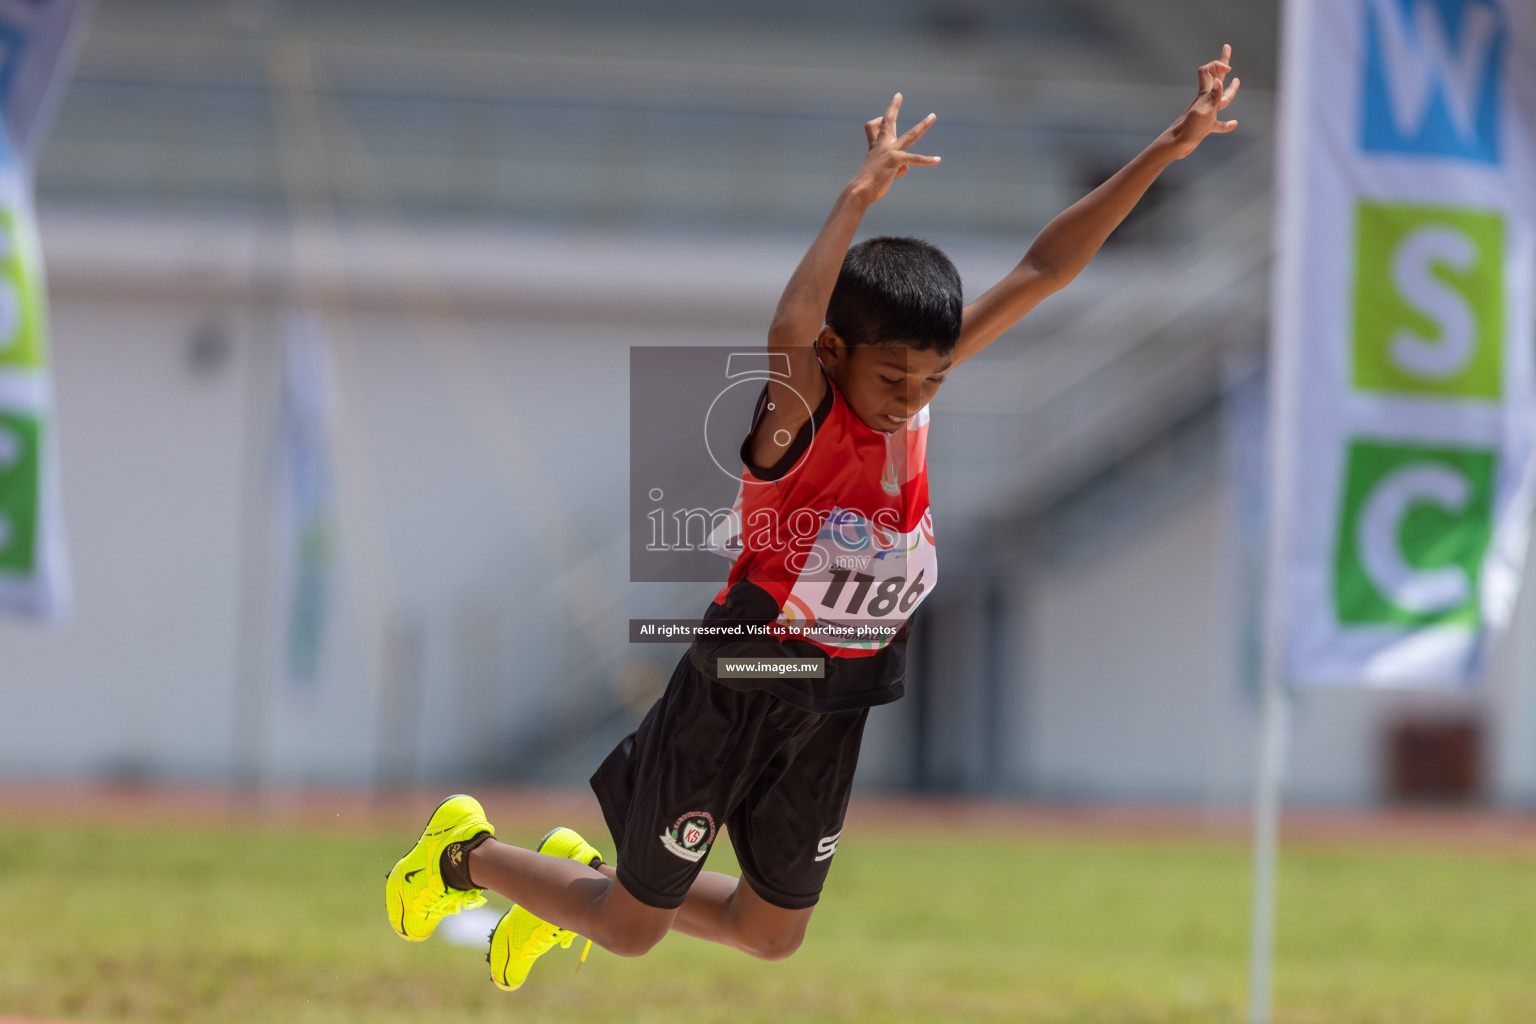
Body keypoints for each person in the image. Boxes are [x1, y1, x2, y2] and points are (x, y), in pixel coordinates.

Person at [385, 45, 1241, 991]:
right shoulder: (802, 415)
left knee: (770, 930)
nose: (909, 396)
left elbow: (1045, 267)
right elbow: (787, 332)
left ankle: (589, 873)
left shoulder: (913, 394)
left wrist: (1168, 145)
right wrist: (857, 198)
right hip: (747, 676)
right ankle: (463, 854)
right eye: (890, 377)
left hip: (841, 691)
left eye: (930, 378)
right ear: (839, 352)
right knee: (632, 931)